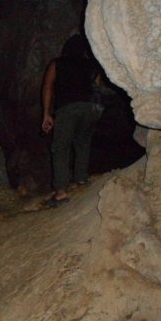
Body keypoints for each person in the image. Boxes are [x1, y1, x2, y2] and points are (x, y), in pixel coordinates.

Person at [41, 34, 103, 208]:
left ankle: (61, 192)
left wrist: (46, 113)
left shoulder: (57, 63)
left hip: (68, 106)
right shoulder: (92, 65)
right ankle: (82, 179)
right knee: (83, 141)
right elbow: (97, 85)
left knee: (61, 146)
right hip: (93, 106)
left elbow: (47, 86)